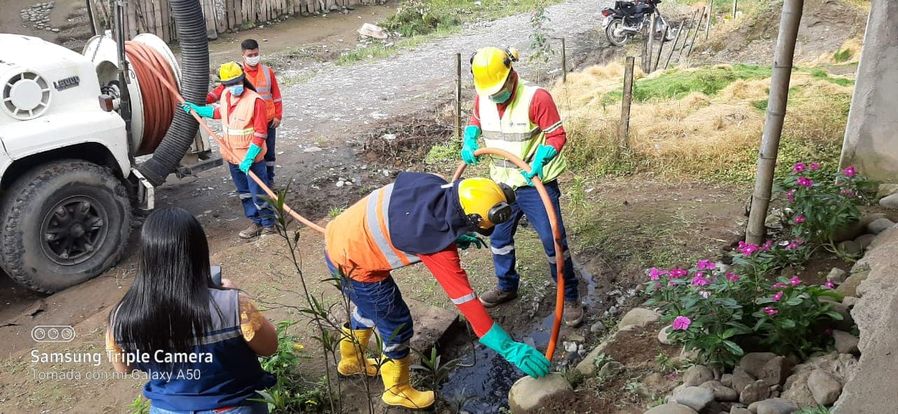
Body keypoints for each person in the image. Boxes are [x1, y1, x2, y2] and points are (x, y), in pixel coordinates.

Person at [326, 172, 551, 410]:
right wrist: (509, 347)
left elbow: (418, 215)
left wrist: (455, 235)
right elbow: (468, 304)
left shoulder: (436, 183)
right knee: (396, 323)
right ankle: (396, 390)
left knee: (369, 308)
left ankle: (351, 361)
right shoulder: (436, 247)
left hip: (342, 236)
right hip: (354, 264)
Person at [106, 207, 278, 414]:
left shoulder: (120, 317)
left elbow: (123, 368)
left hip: (167, 409)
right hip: (233, 407)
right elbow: (269, 347)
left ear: (146, 256)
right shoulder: (235, 305)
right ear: (199, 250)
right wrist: (236, 294)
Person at [461, 46, 583, 327]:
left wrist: (542, 157)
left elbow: (556, 135)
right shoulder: (484, 96)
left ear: (511, 74)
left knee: (553, 240)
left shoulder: (536, 98)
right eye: (489, 91)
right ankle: (506, 286)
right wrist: (469, 139)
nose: (494, 95)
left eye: (498, 89)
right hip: (501, 186)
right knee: (499, 239)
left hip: (535, 184)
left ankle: (570, 296)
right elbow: (475, 120)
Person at [184, 62, 275, 240]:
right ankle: (255, 222)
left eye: (237, 82)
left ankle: (268, 224)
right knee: (245, 193)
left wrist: (249, 158)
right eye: (230, 84)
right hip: (232, 156)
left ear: (243, 80)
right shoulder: (226, 95)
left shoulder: (255, 101)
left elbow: (260, 133)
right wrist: (198, 110)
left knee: (259, 194)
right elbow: (220, 113)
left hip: (251, 160)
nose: (234, 87)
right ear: (224, 85)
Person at [207, 39, 283, 183]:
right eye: (250, 55)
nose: (253, 57)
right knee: (251, 155)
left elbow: (276, 96)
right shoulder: (237, 74)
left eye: (256, 54)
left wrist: (278, 115)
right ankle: (254, 182)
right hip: (247, 123)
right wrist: (203, 99)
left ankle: (269, 180)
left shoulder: (267, 72)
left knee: (268, 153)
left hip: (268, 120)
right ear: (243, 55)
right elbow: (220, 91)